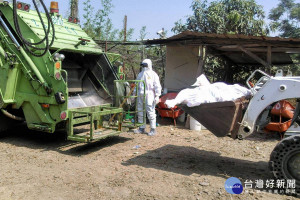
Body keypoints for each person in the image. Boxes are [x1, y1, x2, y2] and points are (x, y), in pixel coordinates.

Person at [134, 59, 162, 136]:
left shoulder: (153, 74)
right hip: (140, 94)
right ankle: (141, 128)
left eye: (145, 65)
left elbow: (157, 86)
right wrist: (134, 94)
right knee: (140, 111)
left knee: (150, 111)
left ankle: (153, 129)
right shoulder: (140, 74)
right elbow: (136, 85)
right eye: (143, 65)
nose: (144, 67)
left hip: (149, 94)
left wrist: (157, 96)